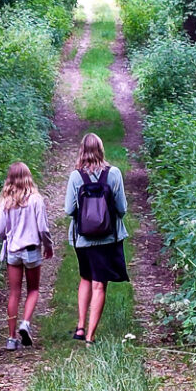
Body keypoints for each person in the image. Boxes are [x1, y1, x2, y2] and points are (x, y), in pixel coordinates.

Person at [65, 132, 128, 346]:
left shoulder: (76, 176)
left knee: (85, 277)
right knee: (99, 285)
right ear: (101, 150)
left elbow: (68, 210)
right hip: (108, 239)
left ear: (82, 151)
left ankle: (81, 327)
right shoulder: (114, 173)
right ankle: (91, 337)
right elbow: (122, 208)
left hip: (82, 239)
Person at [0, 162, 53, 351]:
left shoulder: (6, 200)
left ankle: (11, 338)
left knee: (14, 293)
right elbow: (43, 228)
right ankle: (25, 323)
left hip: (13, 251)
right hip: (31, 250)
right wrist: (48, 246)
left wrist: (9, 237)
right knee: (33, 290)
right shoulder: (36, 199)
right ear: (28, 176)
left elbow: (0, 231)